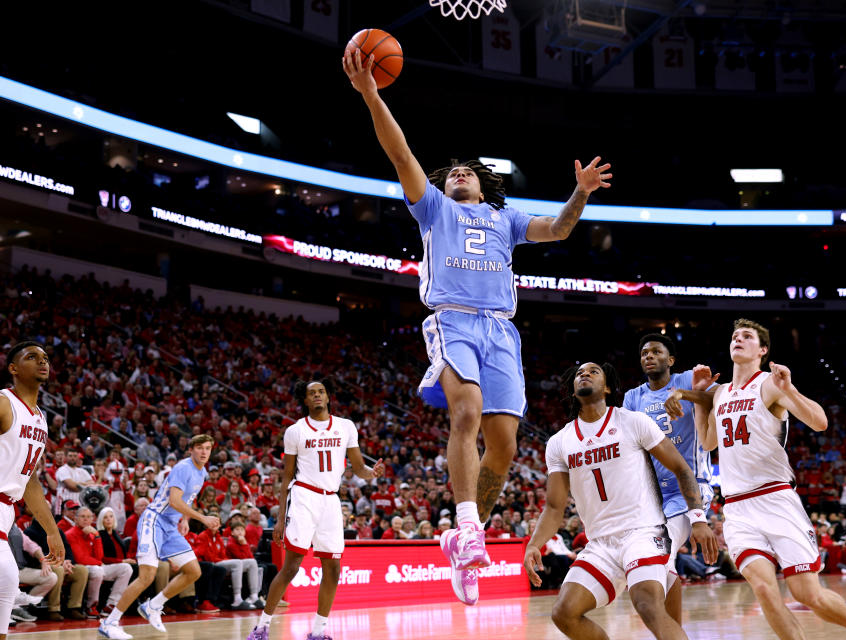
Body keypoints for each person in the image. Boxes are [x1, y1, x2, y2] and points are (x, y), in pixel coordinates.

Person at [343, 48, 612, 606]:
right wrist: (372, 94)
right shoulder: (435, 207)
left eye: (469, 172)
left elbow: (559, 231)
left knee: (506, 446)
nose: (459, 173)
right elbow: (401, 154)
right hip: (454, 321)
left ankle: (468, 539)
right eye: (454, 172)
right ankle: (466, 525)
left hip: (502, 332)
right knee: (464, 411)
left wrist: (580, 193)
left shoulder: (507, 219)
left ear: (486, 187)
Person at [689, 319, 846, 640]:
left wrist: (790, 389)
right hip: (738, 509)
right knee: (765, 590)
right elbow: (709, 442)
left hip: (776, 499)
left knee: (807, 595)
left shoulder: (768, 383)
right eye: (735, 336)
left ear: (763, 349)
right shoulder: (721, 392)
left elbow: (821, 422)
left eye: (747, 336)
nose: (738, 339)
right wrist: (701, 399)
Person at [523, 362, 717, 640]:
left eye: (593, 371)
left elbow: (682, 468)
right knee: (564, 612)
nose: (584, 374)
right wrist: (534, 543)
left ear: (607, 387)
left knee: (646, 602)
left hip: (644, 532)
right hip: (600, 542)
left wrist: (698, 518)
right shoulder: (559, 442)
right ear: (572, 389)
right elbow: (555, 507)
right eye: (579, 373)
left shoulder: (632, 421)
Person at [246, 380, 384, 640]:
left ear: (328, 396)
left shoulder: (346, 426)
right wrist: (279, 520)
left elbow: (358, 467)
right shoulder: (295, 431)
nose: (317, 395)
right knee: (292, 566)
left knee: (333, 568)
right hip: (304, 497)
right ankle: (262, 626)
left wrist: (372, 473)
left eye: (321, 391)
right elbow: (287, 477)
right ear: (306, 401)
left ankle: (318, 632)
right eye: (312, 393)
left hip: (331, 501)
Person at [623, 334, 717, 626]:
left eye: (655, 351)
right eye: (643, 353)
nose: (648, 356)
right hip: (653, 496)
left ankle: (670, 632)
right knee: (664, 561)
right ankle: (673, 633)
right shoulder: (632, 397)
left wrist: (683, 395)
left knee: (661, 551)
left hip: (690, 489)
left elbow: (719, 398)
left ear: (671, 360)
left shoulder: (688, 378)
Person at [98, 434, 221, 640]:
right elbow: (173, 500)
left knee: (193, 571)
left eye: (207, 448)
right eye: (199, 447)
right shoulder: (183, 468)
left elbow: (185, 500)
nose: (203, 452)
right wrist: (202, 518)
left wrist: (185, 519)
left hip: (171, 525)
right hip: (154, 520)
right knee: (146, 576)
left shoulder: (202, 472)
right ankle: (109, 622)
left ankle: (154, 605)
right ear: (191, 450)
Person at [0, 342, 66, 640]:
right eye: (32, 357)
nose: (43, 361)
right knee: (6, 579)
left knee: (7, 582)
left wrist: (51, 530)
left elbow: (31, 481)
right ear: (13, 368)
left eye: (45, 358)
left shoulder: (40, 418)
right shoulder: (3, 402)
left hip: (7, 510)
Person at [65, 506, 133, 618]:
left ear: (93, 519)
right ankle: (91, 606)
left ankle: (111, 604)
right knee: (97, 571)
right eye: (82, 517)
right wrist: (98, 563)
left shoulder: (93, 533)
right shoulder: (70, 534)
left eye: (88, 517)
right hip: (81, 567)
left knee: (126, 568)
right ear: (75, 519)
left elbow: (99, 556)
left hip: (96, 566)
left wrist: (97, 536)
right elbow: (80, 558)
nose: (86, 519)